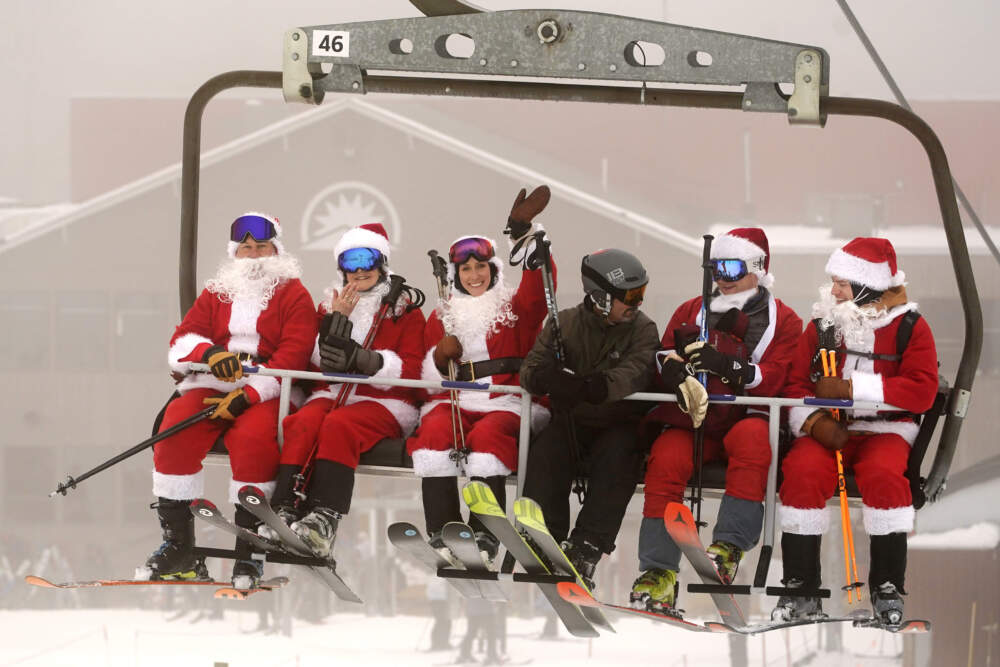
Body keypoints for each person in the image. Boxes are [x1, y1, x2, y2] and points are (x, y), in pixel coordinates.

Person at [139, 212, 316, 587]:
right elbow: (183, 340)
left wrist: (247, 396)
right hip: (211, 383)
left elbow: (293, 356)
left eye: (261, 248)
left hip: (267, 387)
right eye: (245, 248)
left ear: (276, 250)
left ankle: (249, 553)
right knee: (171, 435)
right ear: (235, 253)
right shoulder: (217, 291)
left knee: (254, 443)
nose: (253, 257)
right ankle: (179, 547)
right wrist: (209, 355)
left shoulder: (294, 294)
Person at [632, 228, 802, 613]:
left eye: (731, 268)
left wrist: (730, 367)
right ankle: (658, 571)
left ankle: (728, 545)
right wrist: (673, 371)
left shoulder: (785, 322)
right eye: (716, 269)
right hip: (696, 416)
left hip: (747, 413)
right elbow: (663, 355)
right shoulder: (692, 309)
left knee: (754, 442)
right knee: (667, 457)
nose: (723, 279)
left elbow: (777, 375)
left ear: (757, 268)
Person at [773, 237, 938, 625]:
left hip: (886, 430)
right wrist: (814, 423)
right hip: (828, 429)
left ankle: (887, 585)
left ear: (868, 284)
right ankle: (801, 587)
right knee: (802, 474)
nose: (833, 291)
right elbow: (796, 385)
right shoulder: (823, 327)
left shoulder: (910, 328)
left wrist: (852, 390)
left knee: (884, 478)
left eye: (842, 284)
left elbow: (922, 390)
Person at [261, 222, 426, 561]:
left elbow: (412, 368)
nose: (360, 270)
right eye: (351, 262)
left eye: (367, 260)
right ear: (341, 268)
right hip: (333, 395)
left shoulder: (404, 312)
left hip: (385, 402)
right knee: (304, 421)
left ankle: (325, 518)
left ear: (381, 264)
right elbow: (315, 366)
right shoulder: (328, 307)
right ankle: (286, 506)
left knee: (340, 425)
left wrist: (368, 360)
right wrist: (336, 326)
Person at [407, 185, 553, 565]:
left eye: (481, 267)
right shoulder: (442, 314)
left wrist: (524, 233)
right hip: (456, 399)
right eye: (466, 269)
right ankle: (443, 528)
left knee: (487, 439)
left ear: (493, 269)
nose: (474, 275)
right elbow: (427, 380)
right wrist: (440, 357)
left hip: (504, 399)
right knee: (435, 433)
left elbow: (539, 291)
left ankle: (486, 531)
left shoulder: (513, 307)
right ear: (456, 274)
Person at [519, 248, 660, 589]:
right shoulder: (563, 324)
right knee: (547, 449)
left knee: (619, 458)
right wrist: (547, 379)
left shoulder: (643, 330)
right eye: (629, 297)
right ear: (599, 298)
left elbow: (635, 373)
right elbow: (529, 371)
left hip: (616, 421)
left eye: (641, 294)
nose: (637, 303)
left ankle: (587, 545)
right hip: (573, 420)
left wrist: (592, 386)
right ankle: (544, 534)